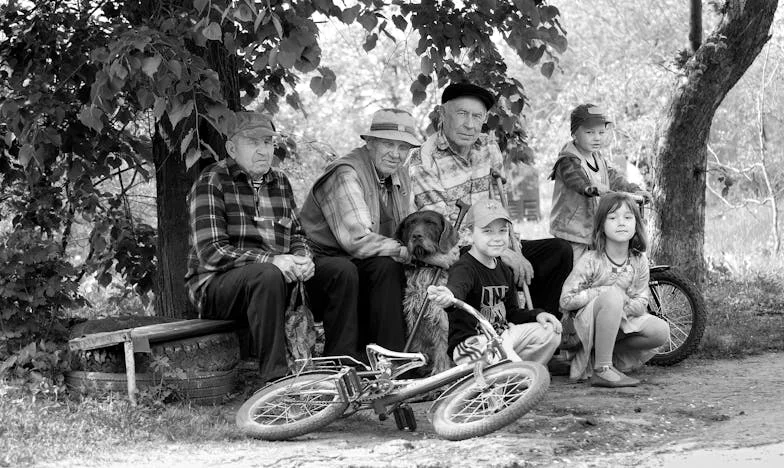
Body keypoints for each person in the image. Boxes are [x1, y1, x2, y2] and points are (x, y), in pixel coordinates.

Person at [185, 111, 352, 383]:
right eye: (253, 143)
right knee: (267, 274)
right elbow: (211, 252)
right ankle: (276, 381)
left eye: (267, 142)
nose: (263, 150)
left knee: (341, 271)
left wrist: (302, 258)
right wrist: (272, 261)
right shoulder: (212, 181)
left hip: (275, 277)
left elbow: (297, 233)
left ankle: (339, 371)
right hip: (217, 286)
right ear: (232, 147)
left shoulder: (280, 182)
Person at [409, 82, 573, 317]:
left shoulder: (487, 146)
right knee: (491, 262)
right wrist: (500, 252)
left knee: (558, 251)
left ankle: (542, 329)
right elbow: (440, 232)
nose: (469, 124)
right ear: (442, 114)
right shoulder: (423, 160)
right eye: (462, 114)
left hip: (493, 241)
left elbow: (497, 208)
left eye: (477, 116)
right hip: (458, 249)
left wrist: (510, 245)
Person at [299, 108, 420, 355]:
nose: (396, 154)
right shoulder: (347, 173)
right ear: (370, 142)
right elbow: (359, 242)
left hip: (357, 262)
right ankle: (342, 360)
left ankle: (392, 360)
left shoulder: (399, 175)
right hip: (317, 268)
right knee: (348, 271)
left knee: (387, 267)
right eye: (389, 144)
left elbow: (405, 227)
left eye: (404, 148)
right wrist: (409, 253)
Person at [426, 199, 561, 366]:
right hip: (472, 344)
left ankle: (521, 375)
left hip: (501, 336)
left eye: (502, 231)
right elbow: (456, 291)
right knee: (503, 351)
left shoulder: (503, 268)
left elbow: (512, 313)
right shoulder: (464, 267)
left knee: (550, 332)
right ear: (469, 234)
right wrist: (448, 297)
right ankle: (516, 374)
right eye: (487, 231)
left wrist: (537, 314)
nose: (497, 238)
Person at [559, 192, 670, 387]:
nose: (621, 223)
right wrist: (601, 293)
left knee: (660, 330)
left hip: (619, 319)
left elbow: (641, 300)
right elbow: (566, 300)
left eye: (628, 217)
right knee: (611, 297)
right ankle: (602, 369)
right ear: (601, 225)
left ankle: (603, 355)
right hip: (584, 325)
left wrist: (620, 310)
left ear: (636, 225)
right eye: (612, 217)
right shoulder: (591, 260)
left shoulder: (638, 260)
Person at [549, 103, 650, 260]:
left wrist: (634, 190)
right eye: (590, 132)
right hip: (573, 234)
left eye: (601, 132)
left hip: (594, 229)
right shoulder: (568, 160)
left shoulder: (597, 157)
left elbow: (614, 178)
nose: (597, 137)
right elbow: (576, 179)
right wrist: (591, 188)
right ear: (574, 133)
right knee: (576, 275)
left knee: (600, 269)